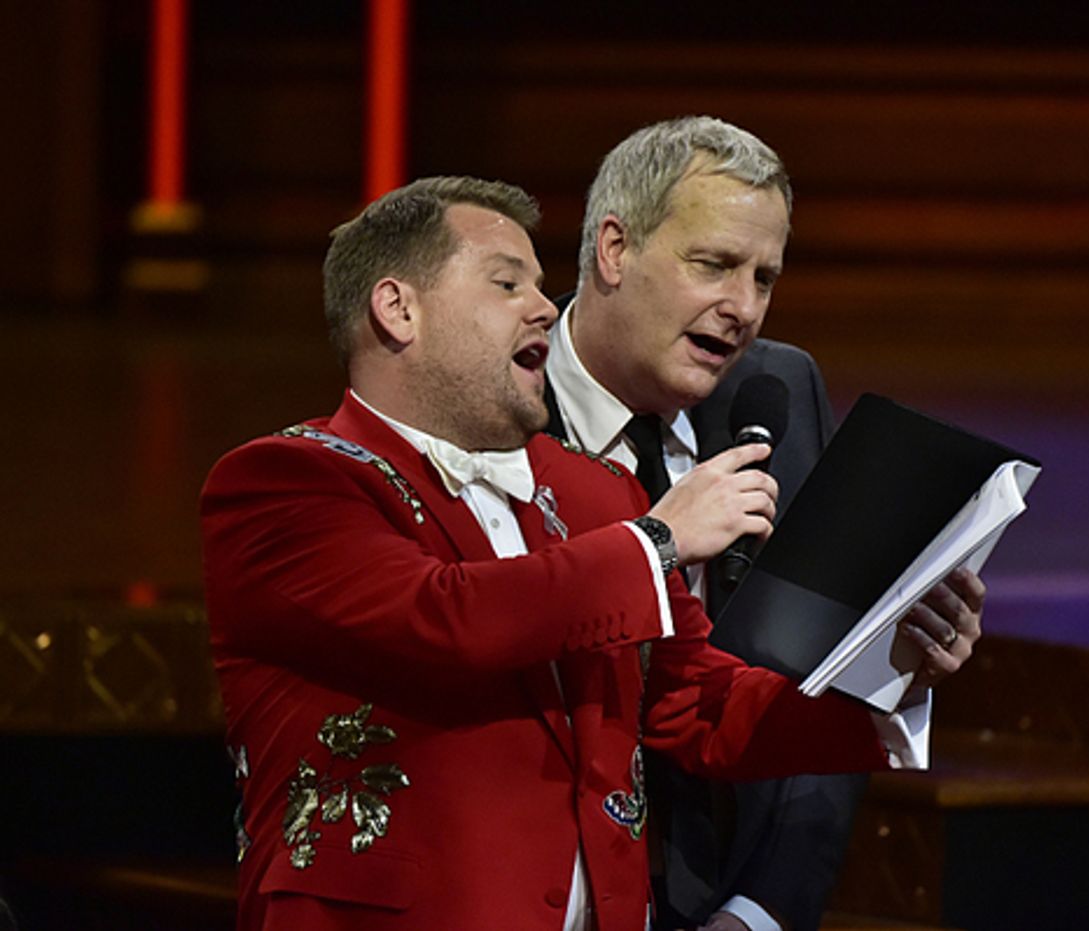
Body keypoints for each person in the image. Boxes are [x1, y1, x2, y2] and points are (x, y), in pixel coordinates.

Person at [200, 175, 982, 931]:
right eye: (507, 285)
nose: (545, 307)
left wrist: (891, 659)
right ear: (399, 309)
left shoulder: (597, 494)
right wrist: (661, 540)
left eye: (541, 284)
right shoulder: (285, 482)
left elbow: (699, 704)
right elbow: (445, 615)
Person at [546, 116, 984, 931]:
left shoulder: (777, 390)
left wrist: (897, 665)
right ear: (614, 249)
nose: (742, 308)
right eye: (713, 265)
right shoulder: (498, 400)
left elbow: (809, 674)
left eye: (764, 276)